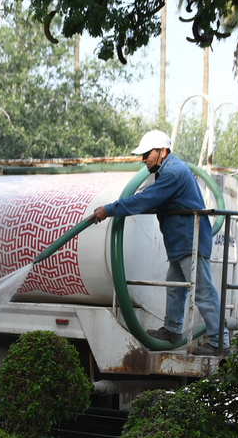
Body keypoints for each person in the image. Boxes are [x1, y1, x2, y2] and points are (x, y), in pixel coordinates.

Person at [90, 129, 225, 354]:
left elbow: (146, 198)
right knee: (175, 285)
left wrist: (110, 209)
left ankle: (220, 342)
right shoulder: (166, 172)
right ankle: (172, 329)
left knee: (202, 291)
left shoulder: (173, 173)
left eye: (147, 154)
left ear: (162, 151)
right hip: (180, 243)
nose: (143, 159)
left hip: (190, 241)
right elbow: (147, 195)